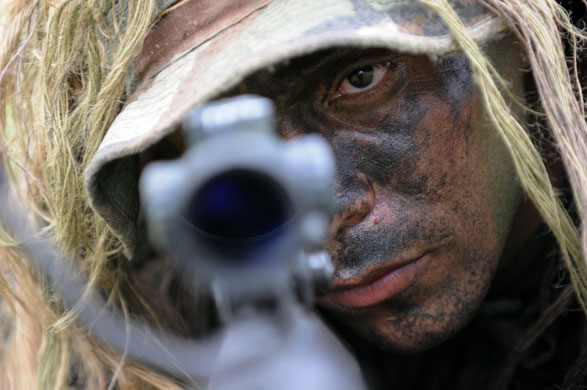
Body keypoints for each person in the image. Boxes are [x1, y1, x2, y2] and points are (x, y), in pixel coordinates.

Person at [0, 0, 586, 389]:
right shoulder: (152, 348)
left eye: (361, 79)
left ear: (513, 40)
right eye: (231, 158)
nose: (322, 217)